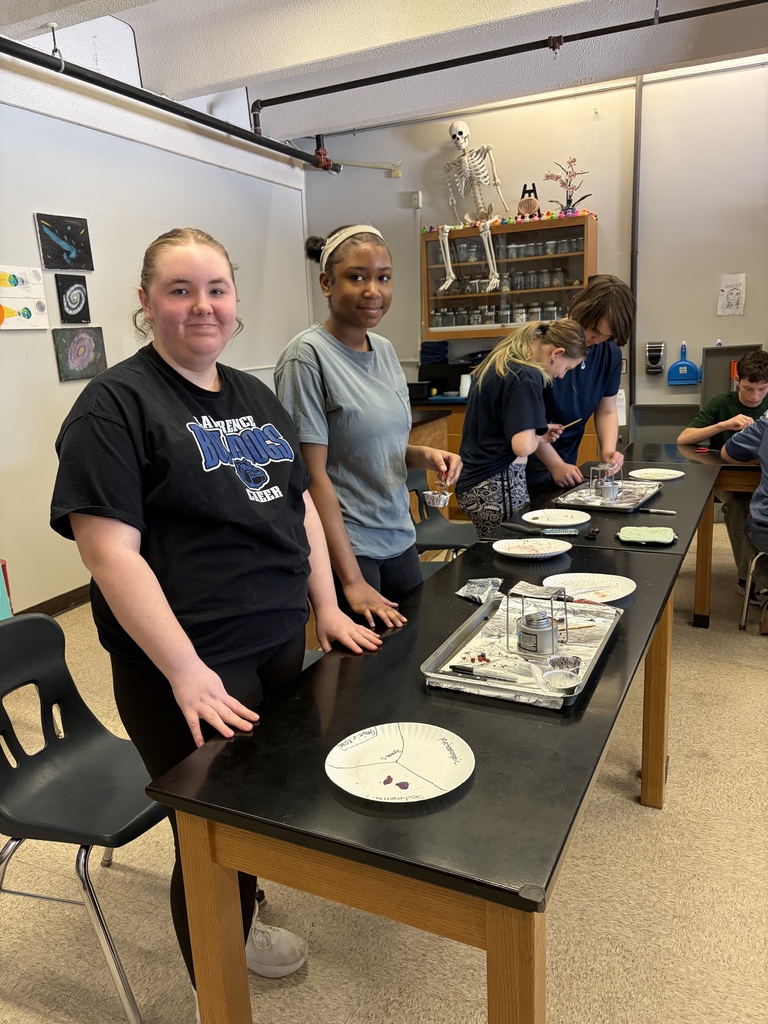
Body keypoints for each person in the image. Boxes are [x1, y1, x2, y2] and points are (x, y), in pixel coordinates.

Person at [50, 227, 381, 994]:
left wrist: (324, 605)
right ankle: (219, 996)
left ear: (235, 302)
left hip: (272, 642)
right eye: (179, 290)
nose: (202, 307)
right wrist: (186, 671)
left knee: (260, 807)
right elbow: (110, 557)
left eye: (217, 289)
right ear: (144, 303)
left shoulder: (251, 392)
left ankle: (246, 912)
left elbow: (296, 503)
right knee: (207, 836)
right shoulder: (114, 406)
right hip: (191, 666)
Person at [275, 224, 462, 628]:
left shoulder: (386, 350)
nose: (373, 290)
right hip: (351, 549)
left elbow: (376, 447)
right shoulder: (306, 357)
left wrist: (424, 455)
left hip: (399, 535)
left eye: (383, 278)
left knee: (411, 657)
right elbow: (311, 476)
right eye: (356, 277)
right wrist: (352, 580)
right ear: (327, 283)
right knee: (363, 681)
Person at [455, 319, 587, 537]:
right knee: (514, 550)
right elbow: (522, 447)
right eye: (567, 367)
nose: (562, 375)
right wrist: (533, 437)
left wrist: (538, 434)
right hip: (495, 483)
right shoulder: (527, 375)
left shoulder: (502, 361)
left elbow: (505, 427)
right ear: (557, 353)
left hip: (475, 483)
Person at [526, 274, 636, 497]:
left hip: (566, 457)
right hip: (528, 454)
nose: (597, 340)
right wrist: (554, 465)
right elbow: (526, 419)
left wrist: (608, 451)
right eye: (594, 331)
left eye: (607, 336)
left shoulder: (610, 352)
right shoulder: (545, 345)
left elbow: (606, 411)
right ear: (581, 311)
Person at [678, 350, 768, 600]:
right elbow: (684, 439)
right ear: (737, 380)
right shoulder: (721, 402)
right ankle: (750, 579)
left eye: (762, 389)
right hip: (730, 481)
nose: (755, 396)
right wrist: (724, 425)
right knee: (741, 506)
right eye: (749, 388)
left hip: (764, 481)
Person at [721, 412, 768, 631]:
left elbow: (728, 452)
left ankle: (761, 586)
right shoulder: (721, 403)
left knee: (751, 521)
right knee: (738, 505)